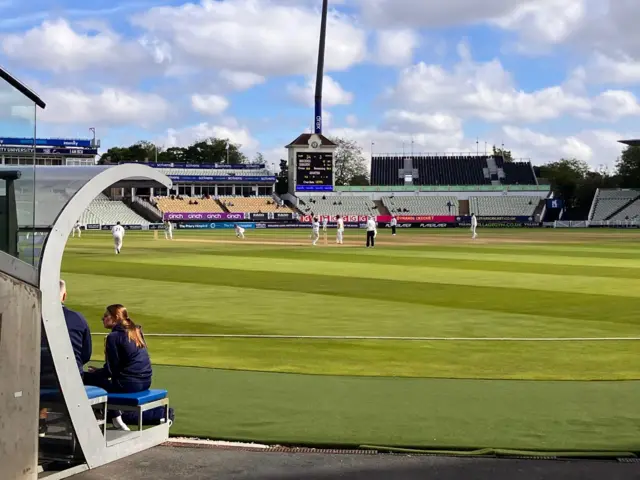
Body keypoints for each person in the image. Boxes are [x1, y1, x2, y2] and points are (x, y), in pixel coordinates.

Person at [84, 304, 153, 431]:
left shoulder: (113, 337)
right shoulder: (136, 331)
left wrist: (96, 373)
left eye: (106, 316)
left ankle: (115, 421)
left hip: (129, 384)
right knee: (100, 380)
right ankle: (115, 419)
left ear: (115, 317)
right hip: (146, 381)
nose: (102, 319)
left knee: (84, 378)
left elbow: (111, 371)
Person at [39, 280, 92, 436]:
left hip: (38, 379)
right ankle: (72, 427)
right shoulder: (78, 318)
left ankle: (41, 423)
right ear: (64, 296)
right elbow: (86, 354)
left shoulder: (32, 314)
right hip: (71, 380)